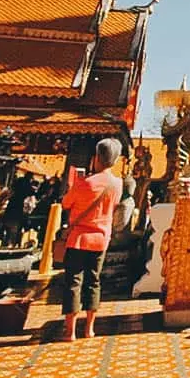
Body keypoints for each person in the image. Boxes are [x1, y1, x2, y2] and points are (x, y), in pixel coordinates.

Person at [59, 138, 123, 341]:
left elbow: (66, 203)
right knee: (93, 282)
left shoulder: (85, 183)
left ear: (96, 158)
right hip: (101, 239)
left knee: (73, 282)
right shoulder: (117, 184)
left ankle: (70, 331)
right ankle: (89, 329)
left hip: (79, 238)